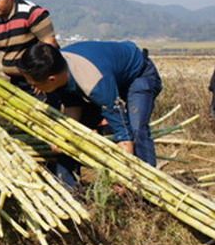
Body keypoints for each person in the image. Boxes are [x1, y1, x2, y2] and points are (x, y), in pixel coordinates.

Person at [17, 41, 163, 187]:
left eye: (34, 84)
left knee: (136, 129)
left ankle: (147, 188)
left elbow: (123, 136)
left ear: (51, 79)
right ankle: (69, 187)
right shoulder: (57, 66)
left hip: (139, 74)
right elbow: (72, 107)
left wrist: (123, 176)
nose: (34, 88)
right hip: (108, 76)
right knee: (73, 133)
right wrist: (64, 136)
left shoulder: (94, 84)